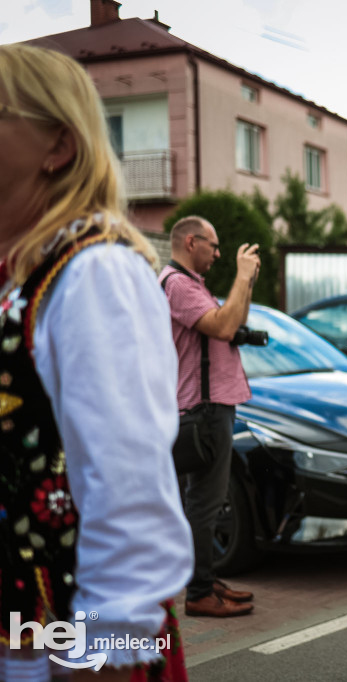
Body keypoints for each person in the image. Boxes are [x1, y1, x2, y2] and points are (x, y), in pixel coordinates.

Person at [0, 43, 192, 679]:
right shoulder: (18, 277)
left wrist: (102, 652)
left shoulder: (92, 270)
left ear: (58, 145)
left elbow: (127, 479)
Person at [161, 216, 261, 617]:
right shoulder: (177, 284)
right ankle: (200, 592)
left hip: (207, 408)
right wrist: (241, 274)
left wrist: (247, 283)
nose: (218, 254)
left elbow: (234, 319)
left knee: (201, 502)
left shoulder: (190, 284)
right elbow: (222, 326)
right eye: (213, 246)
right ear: (191, 242)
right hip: (202, 412)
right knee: (205, 503)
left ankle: (203, 580)